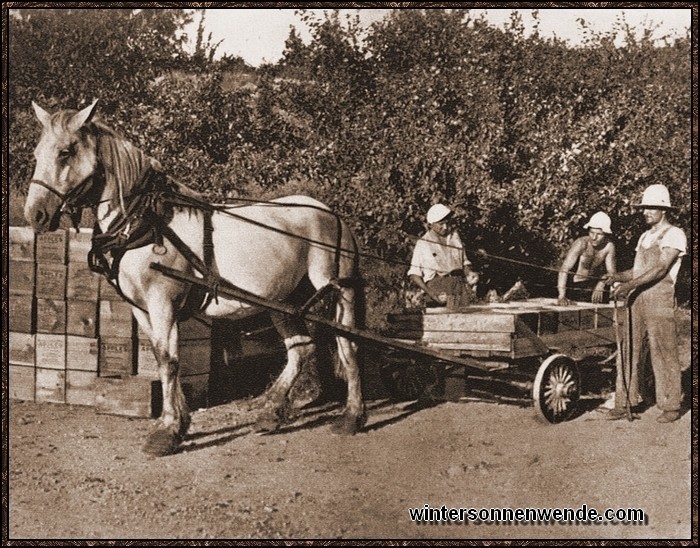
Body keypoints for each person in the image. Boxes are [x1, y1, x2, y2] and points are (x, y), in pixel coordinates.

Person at [605, 184, 687, 423]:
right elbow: (637, 271)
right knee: (628, 349)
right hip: (636, 301)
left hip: (658, 300)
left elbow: (661, 268)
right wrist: (618, 277)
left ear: (664, 209)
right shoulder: (643, 237)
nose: (646, 212)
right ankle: (625, 402)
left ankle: (670, 405)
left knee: (663, 351)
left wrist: (628, 286)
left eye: (652, 207)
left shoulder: (674, 234)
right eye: (644, 207)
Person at [407, 203, 478, 309]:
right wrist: (431, 293)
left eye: (447, 223)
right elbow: (414, 274)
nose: (445, 227)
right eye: (441, 224)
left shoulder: (454, 236)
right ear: (431, 224)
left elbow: (464, 262)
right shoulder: (423, 243)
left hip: (459, 285)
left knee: (465, 319)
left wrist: (469, 273)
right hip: (438, 287)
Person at [557, 211, 617, 306]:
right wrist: (561, 296)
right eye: (592, 233)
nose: (594, 237)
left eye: (599, 234)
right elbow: (564, 269)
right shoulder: (581, 243)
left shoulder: (609, 246)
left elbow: (612, 273)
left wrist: (601, 283)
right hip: (577, 286)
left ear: (605, 234)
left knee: (607, 292)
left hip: (594, 285)